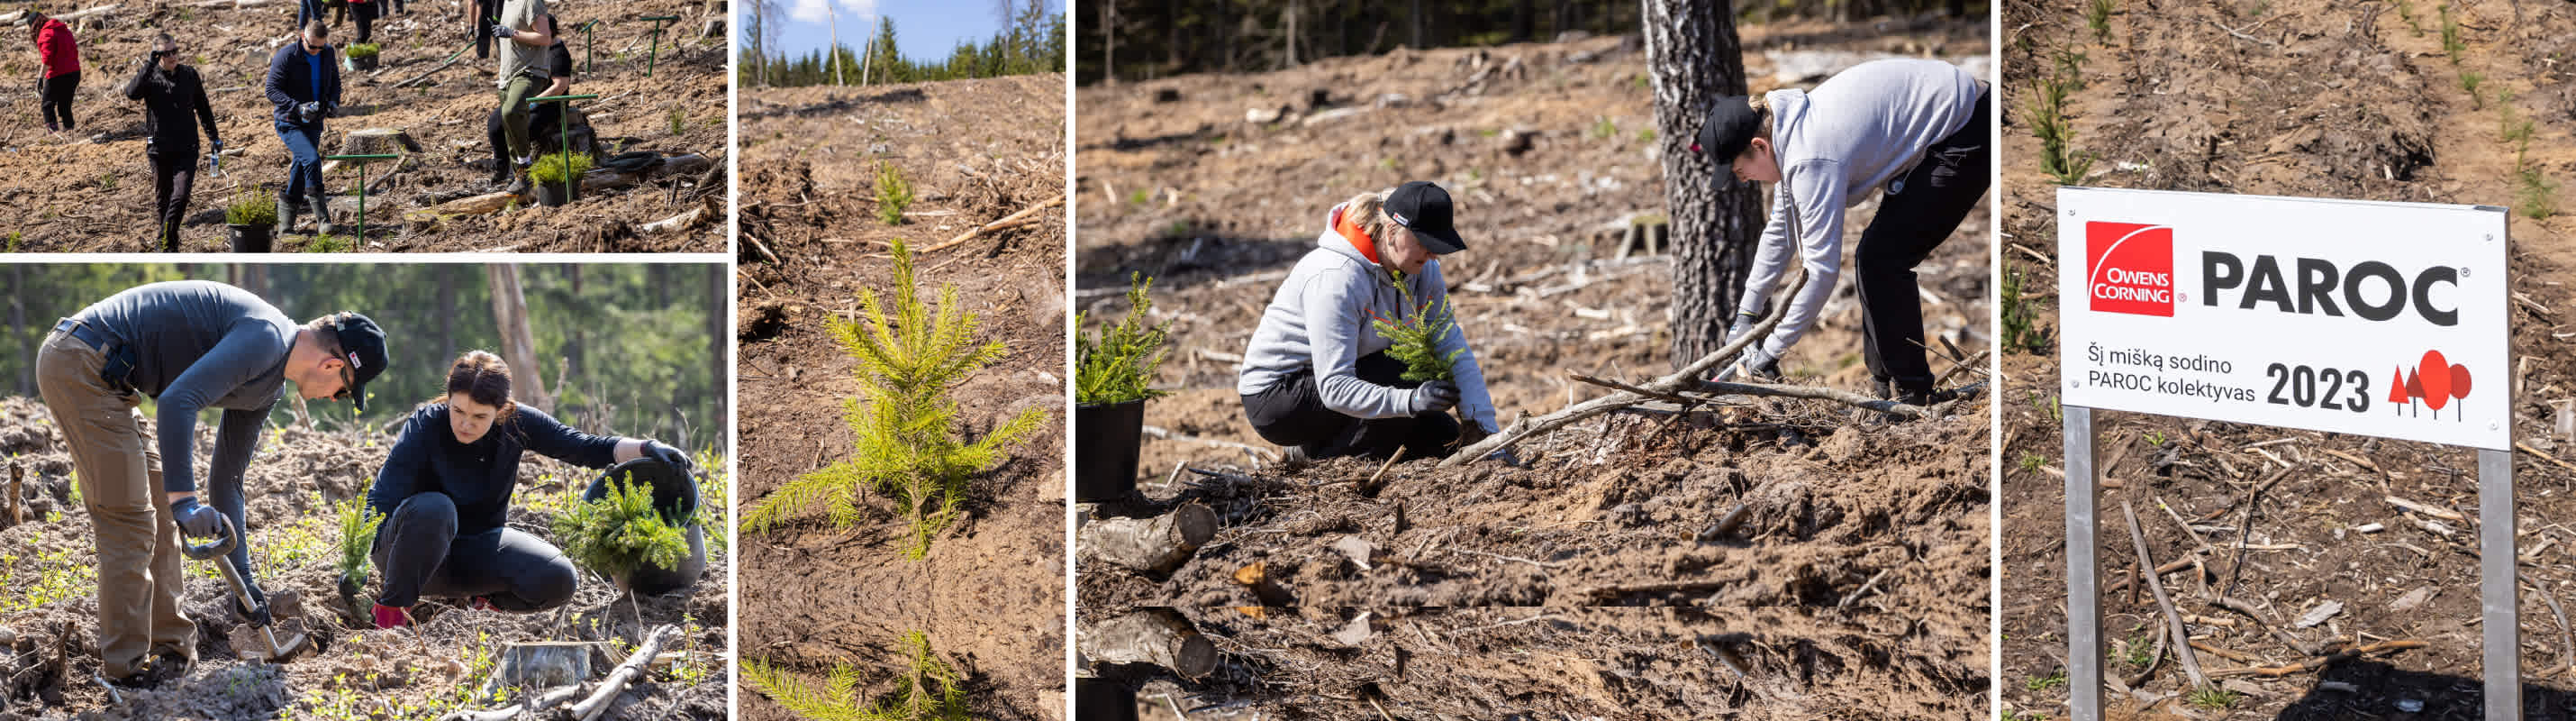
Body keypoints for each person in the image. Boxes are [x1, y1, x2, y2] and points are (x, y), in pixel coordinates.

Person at [34, 281, 385, 688]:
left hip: (113, 379)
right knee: (130, 519)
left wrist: (244, 583)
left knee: (161, 516)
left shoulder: (268, 388)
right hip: (81, 361)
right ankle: (126, 675)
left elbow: (228, 480)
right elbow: (177, 401)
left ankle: (172, 656)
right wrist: (186, 500)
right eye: (345, 391)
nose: (335, 397)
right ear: (331, 365)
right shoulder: (267, 338)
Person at [1698, 58, 1990, 407]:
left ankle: (1914, 396)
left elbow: (1822, 272)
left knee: (1882, 259)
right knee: (1876, 257)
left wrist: (1770, 352)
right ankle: (1887, 387)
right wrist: (1746, 316)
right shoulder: (1789, 134)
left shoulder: (1809, 158)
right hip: (1950, 115)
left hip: (1965, 127)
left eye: (1739, 170)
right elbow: (1781, 232)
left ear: (1759, 147)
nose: (1742, 179)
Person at [362, 351, 694, 628]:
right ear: (448, 399)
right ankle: (390, 618)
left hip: (470, 555)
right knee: (436, 508)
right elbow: (383, 495)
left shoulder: (518, 424)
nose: (465, 424)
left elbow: (581, 446)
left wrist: (646, 448)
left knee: (559, 577)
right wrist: (358, 560)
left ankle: (477, 603)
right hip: (406, 553)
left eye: (479, 416)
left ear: (501, 410)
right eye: (458, 410)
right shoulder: (426, 424)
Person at [1237, 181, 1507, 463]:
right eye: (1426, 244)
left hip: (1359, 369)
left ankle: (1341, 442)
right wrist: (1410, 402)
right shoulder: (1337, 278)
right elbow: (1334, 386)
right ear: (1391, 232)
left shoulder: (1423, 270)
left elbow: (1452, 349)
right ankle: (1315, 455)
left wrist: (1489, 437)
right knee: (1405, 378)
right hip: (1279, 397)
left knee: (1442, 441)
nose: (1433, 255)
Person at [122, 32, 221, 252]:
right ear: (157, 55)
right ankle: (170, 246)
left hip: (187, 147)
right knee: (163, 199)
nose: (173, 56)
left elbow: (203, 107)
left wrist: (213, 136)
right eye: (166, 53)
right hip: (159, 148)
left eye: (175, 51)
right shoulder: (150, 78)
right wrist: (149, 63)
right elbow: (131, 93)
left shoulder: (189, 74)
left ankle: (161, 242)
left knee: (181, 195)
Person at [264, 21, 340, 236]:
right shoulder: (286, 56)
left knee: (300, 170)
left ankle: (285, 227)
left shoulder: (327, 53)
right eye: (312, 46)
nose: (316, 51)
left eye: (320, 47)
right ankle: (323, 221)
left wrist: (333, 102)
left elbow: (335, 81)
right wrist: (296, 107)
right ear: (301, 36)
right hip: (290, 122)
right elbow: (271, 90)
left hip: (315, 121)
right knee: (312, 160)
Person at [485, 14, 568, 187]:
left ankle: (523, 174)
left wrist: (533, 101)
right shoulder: (535, 51)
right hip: (526, 101)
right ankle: (501, 168)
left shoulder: (558, 54)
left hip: (548, 106)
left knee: (520, 131)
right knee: (495, 123)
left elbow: (560, 87)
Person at [490, 0, 553, 195]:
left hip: (530, 72)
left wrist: (512, 33)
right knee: (508, 128)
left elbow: (545, 38)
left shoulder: (530, 2)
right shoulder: (506, 4)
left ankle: (525, 166)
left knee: (511, 111)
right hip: (507, 77)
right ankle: (521, 180)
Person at [29, 9, 78, 133]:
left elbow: (47, 59)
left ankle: (54, 136)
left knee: (47, 105)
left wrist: (40, 78)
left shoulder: (46, 34)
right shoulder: (64, 30)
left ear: (34, 25)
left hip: (58, 74)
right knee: (64, 106)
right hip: (74, 72)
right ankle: (70, 133)